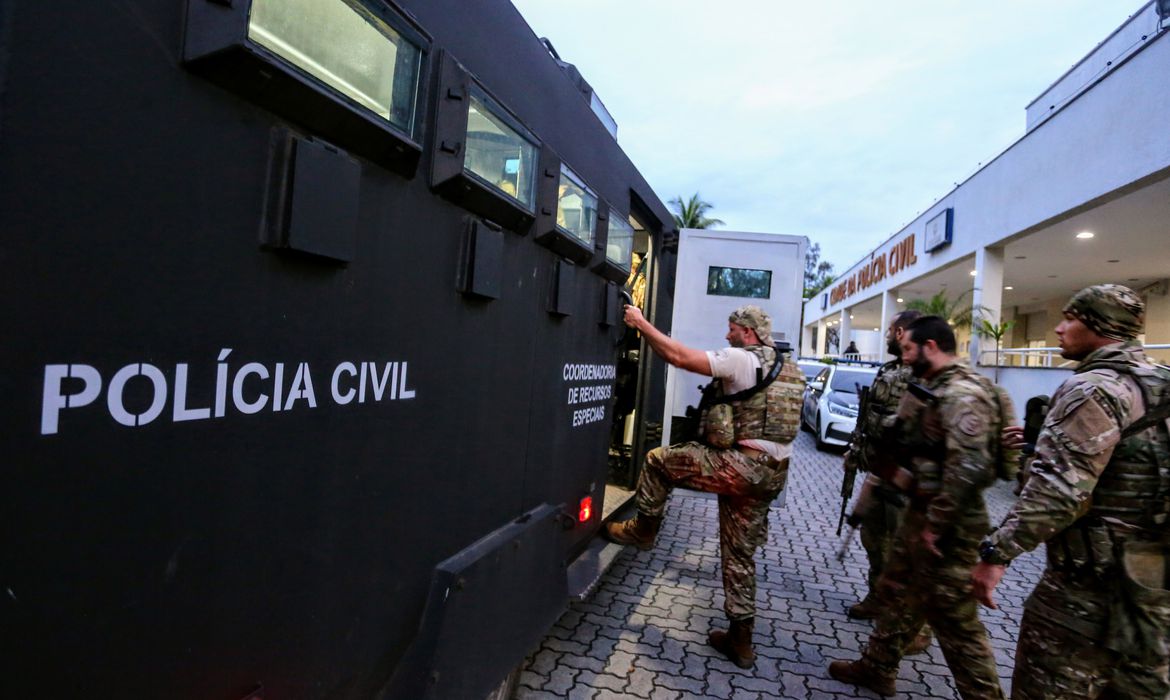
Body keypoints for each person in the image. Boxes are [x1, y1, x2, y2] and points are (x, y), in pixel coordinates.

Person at [973, 284, 1170, 699]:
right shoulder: (1160, 383)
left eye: (1071, 318)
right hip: (1153, 597)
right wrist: (1035, 446)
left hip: (1084, 595)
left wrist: (996, 553)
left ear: (1101, 326)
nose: (1059, 329)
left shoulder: (1094, 389)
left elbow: (1058, 494)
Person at [604, 304, 804, 669]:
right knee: (739, 555)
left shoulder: (742, 359)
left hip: (742, 467)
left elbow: (679, 356)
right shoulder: (790, 368)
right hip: (771, 474)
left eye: (731, 329)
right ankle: (741, 640)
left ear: (747, 331)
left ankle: (643, 530)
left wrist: (640, 323)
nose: (726, 335)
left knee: (657, 461)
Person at [829, 315, 1006, 699]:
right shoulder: (932, 387)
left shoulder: (962, 394)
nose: (904, 356)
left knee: (956, 623)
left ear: (930, 347)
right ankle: (877, 667)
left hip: (950, 526)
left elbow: (969, 468)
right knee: (898, 591)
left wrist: (936, 523)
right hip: (924, 512)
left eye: (908, 348)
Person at [841, 310, 933, 654]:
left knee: (903, 552)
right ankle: (877, 599)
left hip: (906, 480)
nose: (886, 338)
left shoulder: (926, 374)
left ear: (900, 331)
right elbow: (871, 419)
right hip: (880, 474)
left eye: (891, 332)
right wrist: (857, 451)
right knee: (873, 539)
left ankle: (916, 629)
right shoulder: (890, 369)